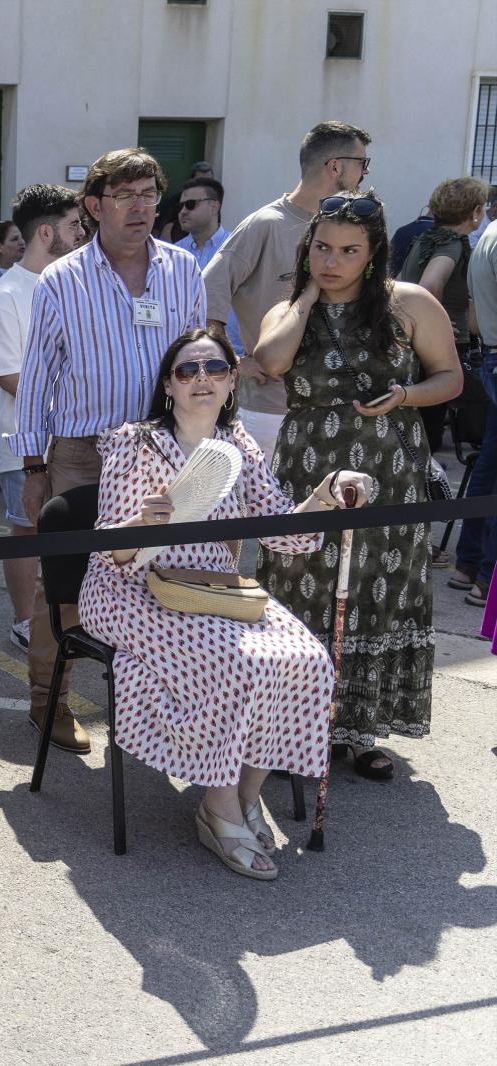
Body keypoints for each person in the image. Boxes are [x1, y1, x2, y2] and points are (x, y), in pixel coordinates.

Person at [81, 330, 373, 880]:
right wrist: (144, 524)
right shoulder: (133, 442)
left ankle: (245, 792)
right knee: (232, 660)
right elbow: (112, 550)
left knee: (304, 658)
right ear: (168, 384)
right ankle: (218, 810)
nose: (201, 379)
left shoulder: (238, 445)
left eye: (213, 368)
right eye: (187, 371)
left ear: (231, 379)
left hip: (213, 586)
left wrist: (326, 492)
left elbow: (286, 533)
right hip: (132, 587)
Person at [254, 191, 462, 780]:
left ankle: (361, 727)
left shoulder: (410, 304)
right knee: (299, 587)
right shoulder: (290, 307)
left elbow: (450, 378)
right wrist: (310, 295)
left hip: (390, 471)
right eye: (322, 247)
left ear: (373, 254)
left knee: (378, 590)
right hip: (307, 472)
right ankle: (296, 724)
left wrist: (406, 396)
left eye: (349, 250)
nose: (332, 260)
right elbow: (269, 362)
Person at [11, 147, 206, 756]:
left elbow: (196, 359)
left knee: (164, 577)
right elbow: (37, 375)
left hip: (164, 453)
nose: (142, 207)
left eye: (149, 194)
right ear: (95, 206)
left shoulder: (183, 269)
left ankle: (155, 705)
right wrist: (34, 465)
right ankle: (50, 701)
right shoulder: (61, 280)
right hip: (82, 453)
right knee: (61, 584)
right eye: (126, 196)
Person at [204, 121, 372, 456]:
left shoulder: (352, 230)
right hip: (270, 412)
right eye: (361, 164)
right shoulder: (266, 225)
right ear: (335, 166)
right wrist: (233, 361)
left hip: (339, 408)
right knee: (265, 510)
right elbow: (203, 294)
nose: (364, 175)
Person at [0, 183, 84, 653]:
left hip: (69, 434)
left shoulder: (73, 283)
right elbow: (7, 376)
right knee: (27, 528)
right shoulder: (7, 294)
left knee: (67, 528)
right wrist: (77, 396)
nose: (82, 233)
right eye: (73, 225)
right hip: (22, 435)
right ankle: (24, 621)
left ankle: (67, 616)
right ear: (46, 233)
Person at [398, 177, 488, 458]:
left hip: (411, 342)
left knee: (417, 426)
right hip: (439, 349)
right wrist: (436, 321)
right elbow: (430, 285)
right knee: (429, 431)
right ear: (474, 213)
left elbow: (399, 282)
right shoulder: (454, 244)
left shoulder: (423, 238)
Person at [452, 196, 497, 607]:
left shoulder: (486, 238)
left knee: (488, 468)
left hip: (491, 355)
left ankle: (470, 566)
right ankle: (484, 576)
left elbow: (473, 316)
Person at [175, 176, 240, 355]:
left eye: (190, 204)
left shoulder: (236, 249)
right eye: (180, 206)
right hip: (186, 354)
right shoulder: (173, 254)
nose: (182, 212)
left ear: (214, 207)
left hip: (232, 354)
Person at [389, 208, 436, 277]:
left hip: (395, 284)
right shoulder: (443, 235)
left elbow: (388, 262)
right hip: (421, 285)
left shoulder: (401, 231)